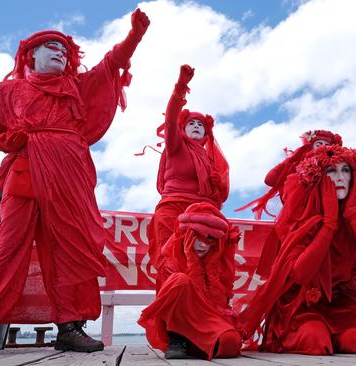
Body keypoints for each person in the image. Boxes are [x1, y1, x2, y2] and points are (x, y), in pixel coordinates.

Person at [0, 9, 150, 356]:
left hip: (70, 177)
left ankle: (69, 327)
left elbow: (111, 65)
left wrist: (134, 38)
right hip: (25, 172)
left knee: (67, 253)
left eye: (64, 49)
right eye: (50, 46)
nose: (59, 51)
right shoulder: (9, 90)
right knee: (6, 250)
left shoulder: (76, 87)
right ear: (30, 55)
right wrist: (8, 141)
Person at [237, 145, 356, 354]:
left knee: (354, 342)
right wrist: (329, 224)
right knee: (316, 341)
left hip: (343, 301)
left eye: (346, 170)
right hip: (302, 303)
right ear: (319, 176)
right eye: (332, 171)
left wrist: (351, 217)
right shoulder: (301, 218)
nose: (340, 177)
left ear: (354, 177)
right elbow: (301, 274)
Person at [146, 65, 229, 273]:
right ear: (183, 128)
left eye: (201, 125)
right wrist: (181, 87)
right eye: (191, 123)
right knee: (171, 266)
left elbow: (222, 194)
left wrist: (217, 184)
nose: (196, 126)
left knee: (205, 271)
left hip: (203, 215)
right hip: (173, 210)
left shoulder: (211, 162)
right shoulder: (176, 146)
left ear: (206, 134)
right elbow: (170, 119)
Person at [138, 203, 241, 360]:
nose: (203, 244)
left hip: (207, 318)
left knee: (230, 342)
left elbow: (217, 303)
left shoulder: (220, 263)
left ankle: (199, 344)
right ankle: (177, 339)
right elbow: (187, 298)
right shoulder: (170, 260)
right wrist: (193, 262)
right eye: (197, 236)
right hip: (181, 321)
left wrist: (210, 265)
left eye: (210, 238)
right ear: (186, 234)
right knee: (180, 280)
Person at [236, 130, 342, 276]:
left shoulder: (338, 171)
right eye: (319, 144)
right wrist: (294, 157)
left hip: (326, 226)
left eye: (326, 145)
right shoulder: (296, 166)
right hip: (295, 226)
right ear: (310, 146)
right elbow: (270, 179)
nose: (322, 147)